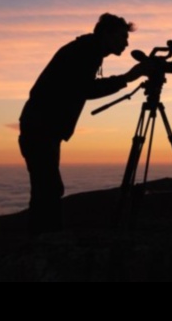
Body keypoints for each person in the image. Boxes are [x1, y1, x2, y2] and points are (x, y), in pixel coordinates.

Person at [18, 13, 146, 235]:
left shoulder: (87, 50)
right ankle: (42, 244)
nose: (126, 43)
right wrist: (127, 78)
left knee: (47, 188)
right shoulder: (85, 52)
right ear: (106, 34)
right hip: (41, 128)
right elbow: (85, 89)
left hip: (42, 127)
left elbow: (80, 88)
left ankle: (43, 241)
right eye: (122, 37)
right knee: (47, 189)